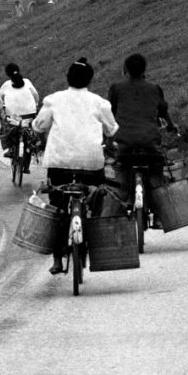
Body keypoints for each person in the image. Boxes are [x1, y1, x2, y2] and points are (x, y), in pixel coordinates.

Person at [33, 58, 118, 275]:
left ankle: (57, 259)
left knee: (58, 209)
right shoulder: (99, 103)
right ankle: (94, 235)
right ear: (90, 79)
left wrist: (41, 135)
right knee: (98, 194)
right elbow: (111, 130)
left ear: (67, 78)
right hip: (91, 164)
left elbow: (40, 126)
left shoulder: (54, 100)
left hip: (59, 165)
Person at [107, 52, 177, 197]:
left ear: (125, 69)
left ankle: (123, 199)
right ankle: (159, 204)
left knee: (122, 170)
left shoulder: (117, 88)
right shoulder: (154, 88)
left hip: (124, 142)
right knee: (157, 173)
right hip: (150, 141)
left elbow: (111, 112)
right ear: (144, 69)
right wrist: (171, 125)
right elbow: (163, 111)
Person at [0, 63, 40, 170]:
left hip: (13, 117)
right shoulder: (27, 81)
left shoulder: (6, 84)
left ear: (7, 73)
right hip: (29, 115)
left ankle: (11, 148)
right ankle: (26, 166)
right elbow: (35, 95)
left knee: (6, 129)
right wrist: (35, 104)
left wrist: (2, 108)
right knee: (29, 137)